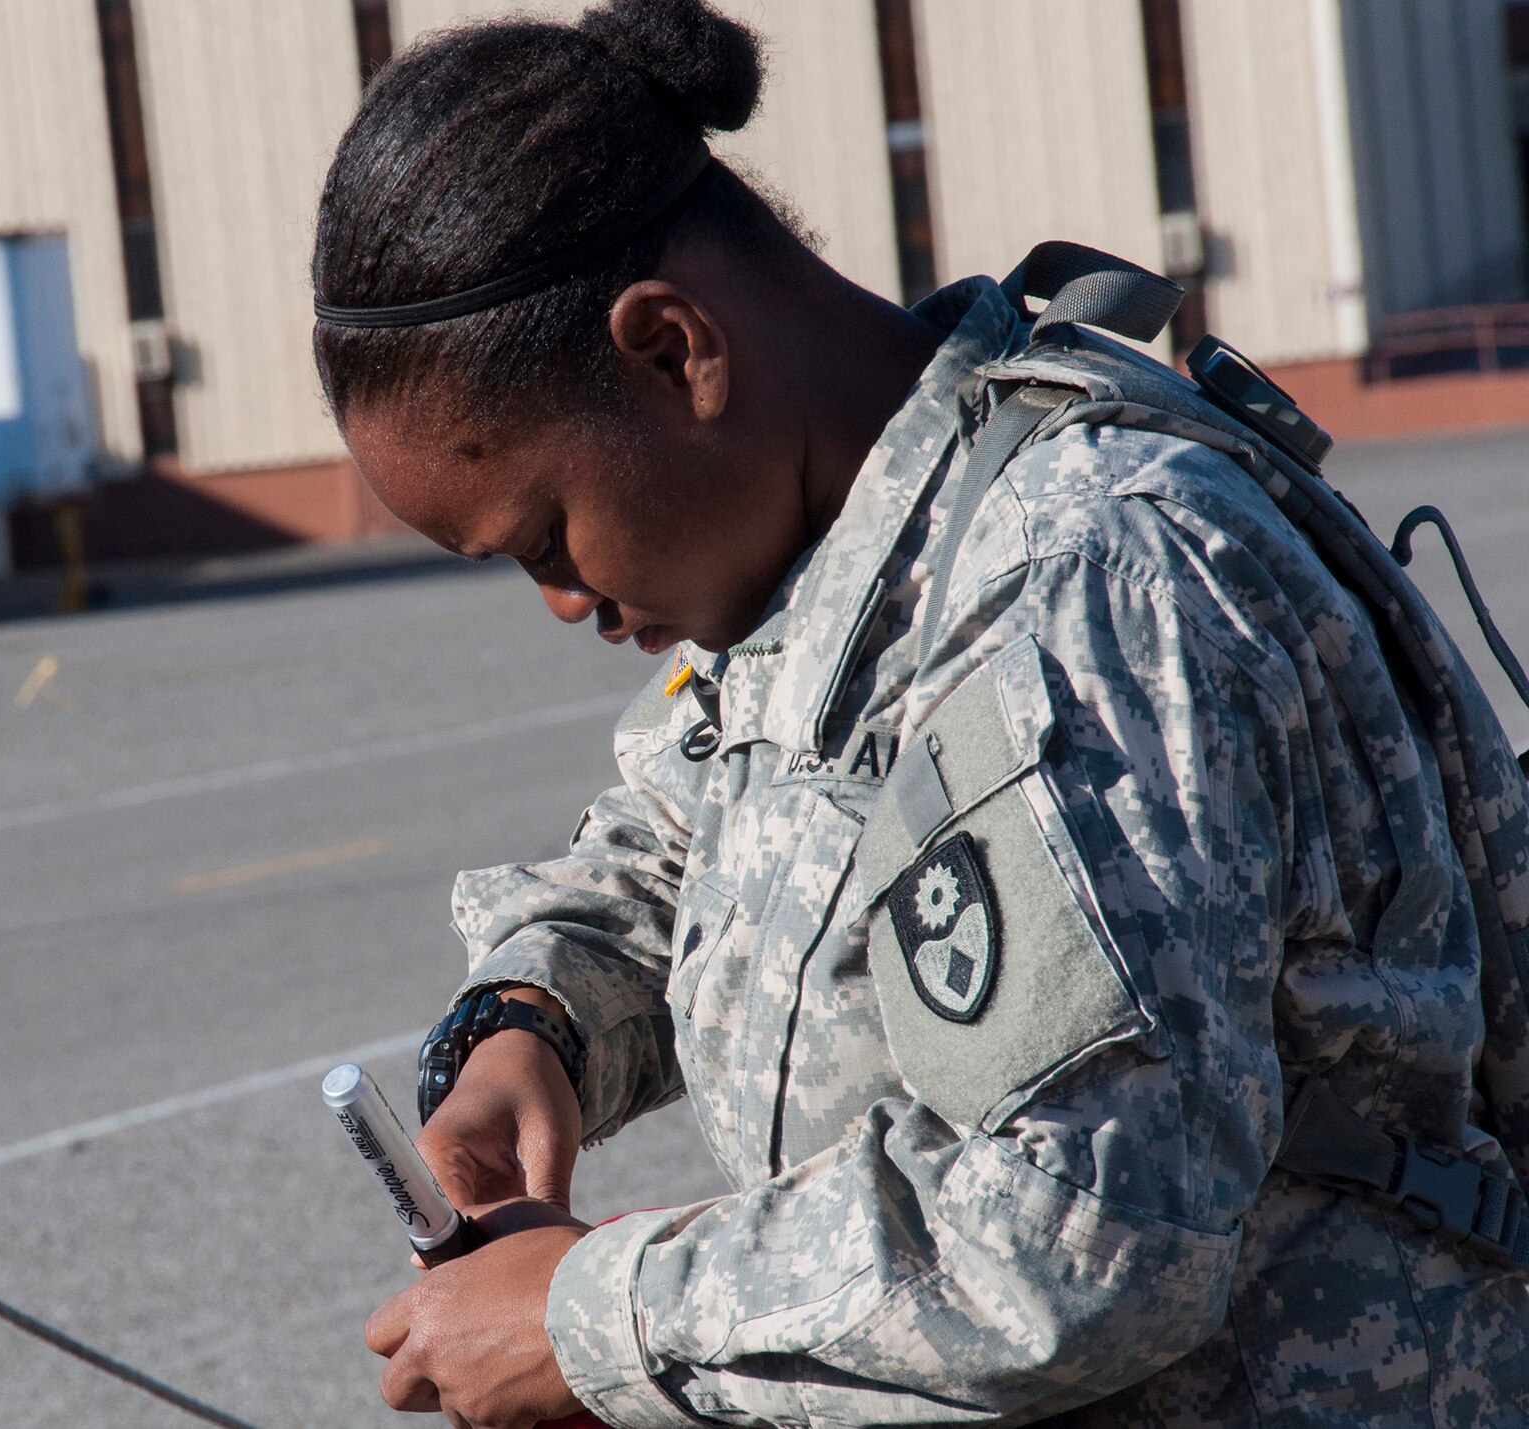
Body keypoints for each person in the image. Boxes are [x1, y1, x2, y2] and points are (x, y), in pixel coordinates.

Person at [310, 2, 1529, 1425]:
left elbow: (1082, 1227)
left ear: (671, 351)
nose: (563, 601)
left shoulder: (1084, 582)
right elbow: (681, 841)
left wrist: (595, 1317)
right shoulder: (828, 560)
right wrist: (535, 1025)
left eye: (546, 537)